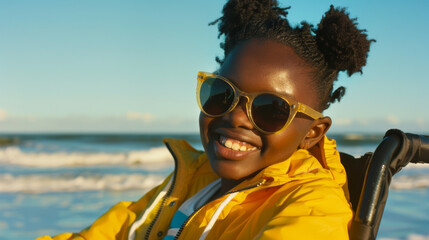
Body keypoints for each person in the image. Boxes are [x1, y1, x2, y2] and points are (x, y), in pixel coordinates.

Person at [36, 0, 373, 239]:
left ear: (313, 132)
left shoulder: (312, 208)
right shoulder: (194, 180)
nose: (236, 117)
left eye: (270, 108)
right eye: (222, 93)